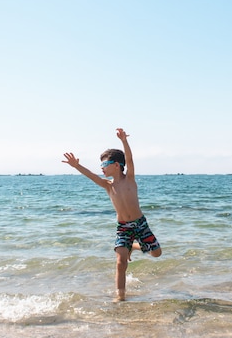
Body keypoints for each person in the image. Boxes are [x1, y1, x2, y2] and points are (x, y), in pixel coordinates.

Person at [62, 128, 162, 301]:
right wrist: (77, 166)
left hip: (140, 224)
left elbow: (129, 160)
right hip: (123, 227)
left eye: (104, 165)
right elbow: (91, 176)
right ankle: (120, 297)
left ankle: (134, 246)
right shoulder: (108, 185)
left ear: (117, 165)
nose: (101, 168)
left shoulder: (129, 179)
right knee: (120, 262)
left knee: (156, 253)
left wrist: (124, 141)